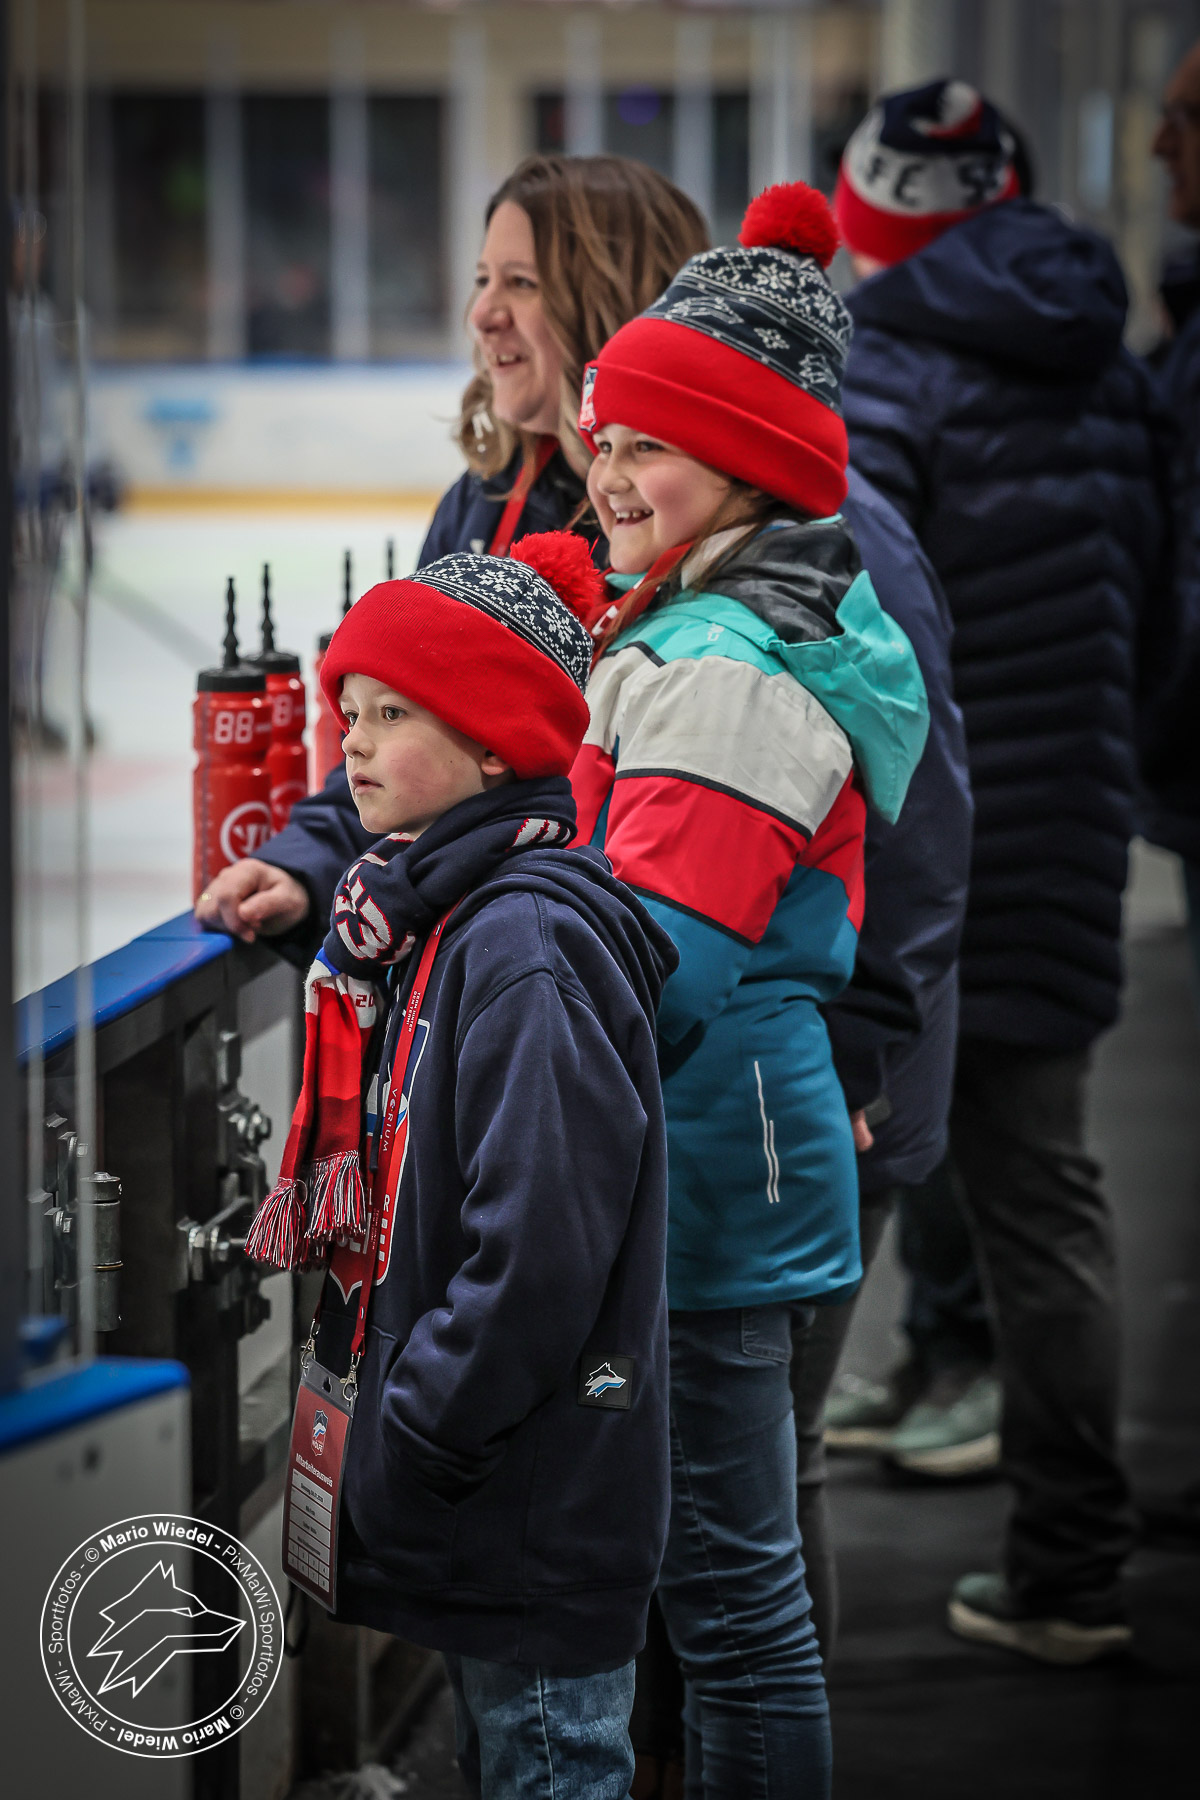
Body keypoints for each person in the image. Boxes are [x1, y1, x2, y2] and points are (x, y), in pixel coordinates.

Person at [576, 181, 928, 1797]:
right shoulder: (709, 626)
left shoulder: (728, 672)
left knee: (731, 1598)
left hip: (720, 1172)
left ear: (744, 462)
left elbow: (662, 961)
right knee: (707, 1579)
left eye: (648, 443)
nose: (608, 471)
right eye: (605, 436)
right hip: (721, 1154)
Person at [243, 532, 677, 1799]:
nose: (353, 745)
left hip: (526, 1500)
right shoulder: (429, 917)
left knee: (550, 1763)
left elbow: (539, 1252)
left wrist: (420, 1433)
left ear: (493, 743)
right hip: (497, 1494)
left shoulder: (522, 944)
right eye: (350, 712)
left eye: (394, 714)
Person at [833, 77, 1168, 1662]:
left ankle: (744, 1624)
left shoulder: (881, 369)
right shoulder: (1113, 358)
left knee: (833, 1194)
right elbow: (1165, 611)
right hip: (1070, 830)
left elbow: (860, 635)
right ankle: (1072, 1571)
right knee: (1045, 1199)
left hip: (923, 847)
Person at [195, 153, 708, 948]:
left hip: (602, 981)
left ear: (611, 302)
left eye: (522, 284)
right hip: (490, 965)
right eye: (482, 280)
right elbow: (409, 737)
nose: (483, 314)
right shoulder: (484, 502)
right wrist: (308, 864)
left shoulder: (687, 524)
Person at [790, 466, 973, 1654]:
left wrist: (856, 1059)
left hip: (827, 1089)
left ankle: (741, 1741)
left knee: (763, 1456)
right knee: (736, 1456)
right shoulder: (725, 564)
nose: (612, 473)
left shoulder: (840, 551)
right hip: (800, 1082)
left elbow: (918, 833)